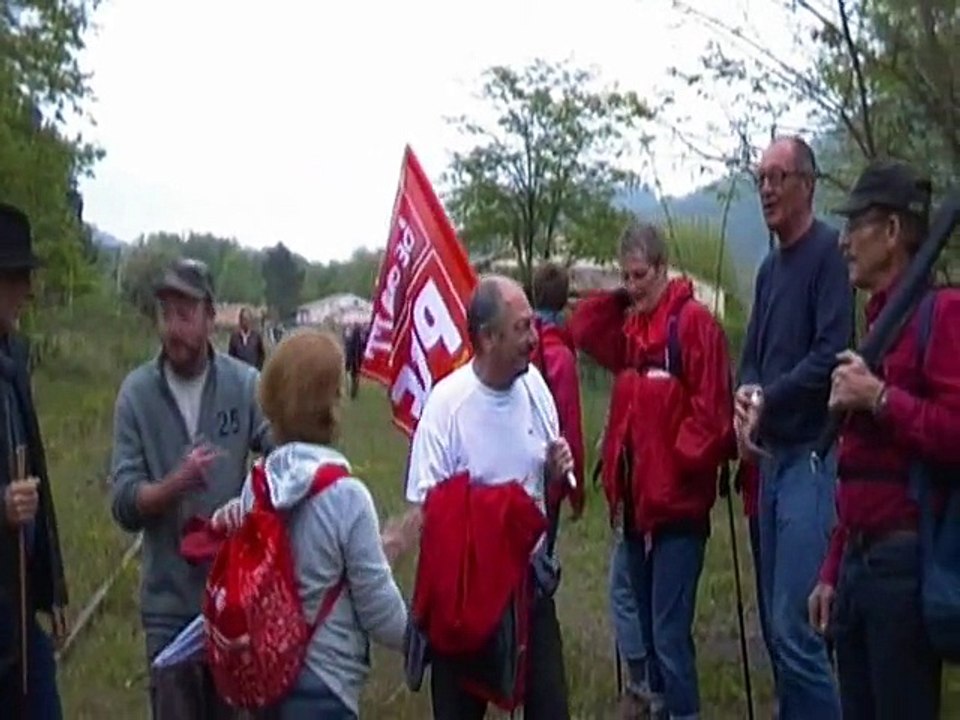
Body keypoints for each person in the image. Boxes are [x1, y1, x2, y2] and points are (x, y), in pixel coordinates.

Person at [570, 222, 734, 720]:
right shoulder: (633, 326)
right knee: (644, 621)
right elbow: (583, 330)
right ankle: (657, 706)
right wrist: (622, 294)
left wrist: (677, 466)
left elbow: (714, 415)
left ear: (664, 269)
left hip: (677, 509)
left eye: (641, 274)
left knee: (668, 634)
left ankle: (681, 712)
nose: (633, 284)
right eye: (626, 275)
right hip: (638, 508)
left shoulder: (694, 325)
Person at [808, 160, 954, 719]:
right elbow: (860, 464)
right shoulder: (878, 322)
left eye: (857, 225)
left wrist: (881, 400)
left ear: (892, 232)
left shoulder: (941, 316)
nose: (844, 241)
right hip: (858, 566)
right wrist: (831, 570)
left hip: (905, 563)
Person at [210, 329, 417, 718]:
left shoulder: (259, 484)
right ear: (332, 402)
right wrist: (426, 640)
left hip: (268, 680)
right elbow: (377, 612)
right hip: (327, 686)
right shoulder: (346, 496)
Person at [404, 275, 573, 720]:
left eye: (532, 325)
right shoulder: (446, 406)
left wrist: (556, 470)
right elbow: (429, 510)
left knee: (551, 709)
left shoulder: (536, 387)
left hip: (529, 589)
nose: (534, 339)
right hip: (465, 600)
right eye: (521, 329)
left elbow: (544, 484)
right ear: (487, 338)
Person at [109, 257, 272, 719]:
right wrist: (172, 486)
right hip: (168, 607)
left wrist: (257, 499)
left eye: (185, 314)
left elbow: (282, 449)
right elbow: (123, 501)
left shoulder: (244, 385)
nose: (173, 328)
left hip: (234, 604)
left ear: (209, 315)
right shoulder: (137, 394)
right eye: (166, 315)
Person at [735, 136, 852, 719]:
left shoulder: (829, 254)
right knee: (778, 634)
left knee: (797, 626)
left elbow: (832, 351)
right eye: (761, 179)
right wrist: (744, 397)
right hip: (773, 462)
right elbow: (754, 354)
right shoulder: (768, 270)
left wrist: (768, 397)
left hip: (812, 457)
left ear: (808, 183)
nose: (767, 189)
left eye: (779, 177)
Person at [0, 203, 68, 719]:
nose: (29, 290)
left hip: (17, 608)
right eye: (19, 277)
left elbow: (36, 466)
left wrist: (51, 584)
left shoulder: (12, 359)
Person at [531, 262, 585, 527]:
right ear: (564, 300)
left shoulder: (514, 345)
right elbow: (570, 426)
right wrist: (576, 489)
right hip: (546, 477)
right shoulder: (562, 357)